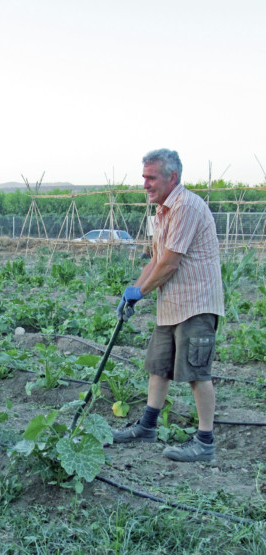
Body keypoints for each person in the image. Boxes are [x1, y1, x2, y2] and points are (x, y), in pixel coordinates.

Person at [111, 149, 224, 462]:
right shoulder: (161, 211)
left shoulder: (186, 206)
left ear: (172, 177)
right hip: (172, 304)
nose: (145, 184)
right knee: (158, 367)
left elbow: (171, 263)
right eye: (144, 177)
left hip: (196, 303)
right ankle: (147, 427)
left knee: (196, 373)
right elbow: (156, 259)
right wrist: (133, 289)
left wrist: (142, 293)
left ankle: (205, 442)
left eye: (151, 177)